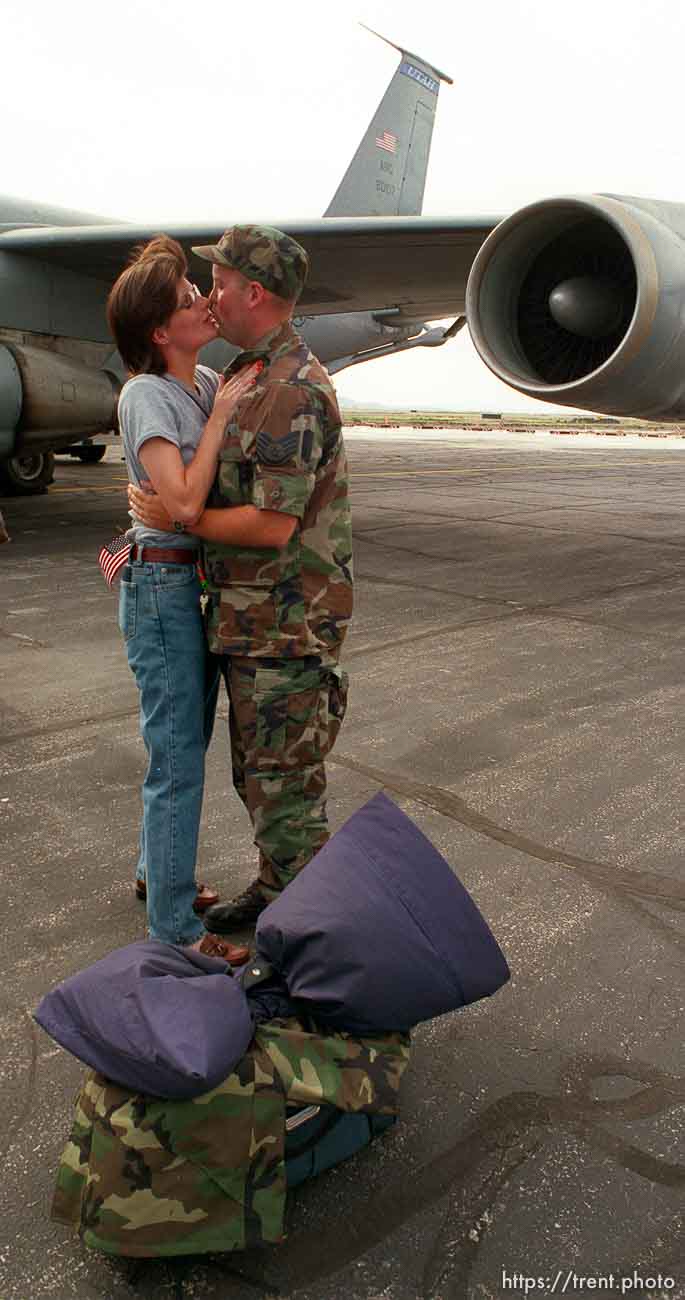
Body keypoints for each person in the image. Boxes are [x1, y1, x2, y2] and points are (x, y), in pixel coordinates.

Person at [128, 225, 353, 933]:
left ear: (252, 291)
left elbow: (270, 525)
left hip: (284, 624)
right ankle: (274, 888)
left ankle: (312, 944)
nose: (211, 296)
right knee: (258, 778)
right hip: (252, 620)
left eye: (218, 282)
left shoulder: (285, 391)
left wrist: (179, 516)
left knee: (283, 789)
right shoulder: (242, 377)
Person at [107, 235, 260, 960]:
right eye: (185, 299)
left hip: (186, 585)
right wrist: (226, 416)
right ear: (158, 332)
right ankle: (174, 928)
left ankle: (154, 873)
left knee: (182, 744)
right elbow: (186, 505)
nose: (203, 300)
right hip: (161, 586)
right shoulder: (148, 394)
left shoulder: (195, 383)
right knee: (177, 760)